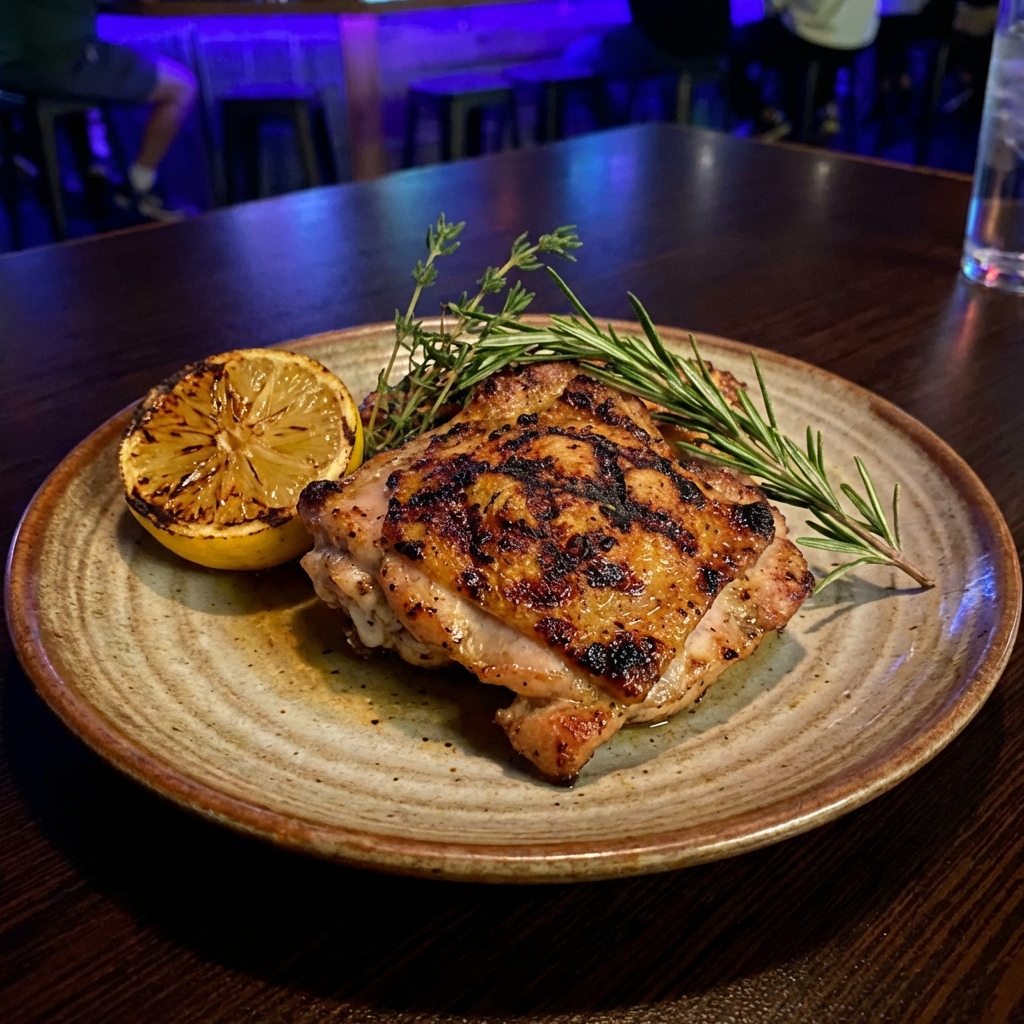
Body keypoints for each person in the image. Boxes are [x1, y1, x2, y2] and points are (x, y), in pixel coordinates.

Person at [0, 0, 197, 222]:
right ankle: (136, 190)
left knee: (121, 61)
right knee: (181, 87)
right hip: (60, 59)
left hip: (12, 71)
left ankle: (88, 175)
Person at [730, 0, 880, 141]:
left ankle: (767, 118)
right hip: (859, 34)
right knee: (811, 56)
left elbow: (776, 4)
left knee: (738, 45)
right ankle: (821, 108)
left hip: (812, 33)